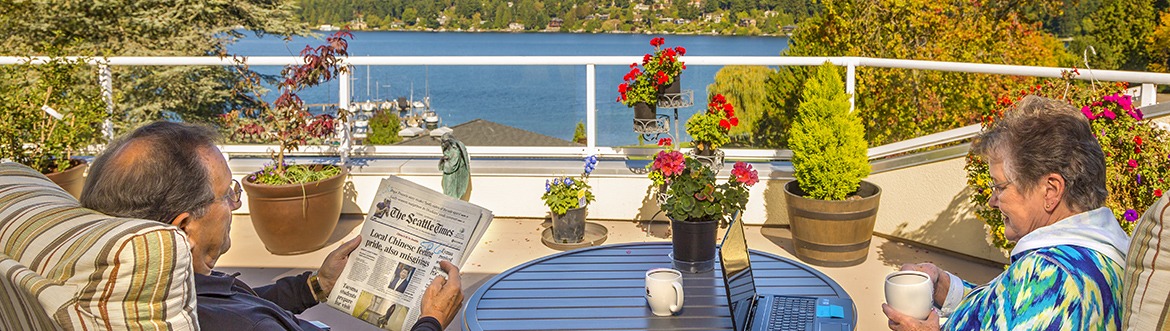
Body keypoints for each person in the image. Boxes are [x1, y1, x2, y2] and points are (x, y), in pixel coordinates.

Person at [80, 121, 466, 331]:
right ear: (185, 228)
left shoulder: (149, 284)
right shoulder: (245, 325)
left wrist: (314, 286)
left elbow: (229, 301)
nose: (235, 203)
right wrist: (431, 320)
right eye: (227, 194)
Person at [882, 95, 1129, 330]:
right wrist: (945, 287)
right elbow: (1009, 310)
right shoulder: (1095, 256)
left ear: (1050, 191)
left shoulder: (1048, 274)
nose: (992, 201)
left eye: (1000, 186)